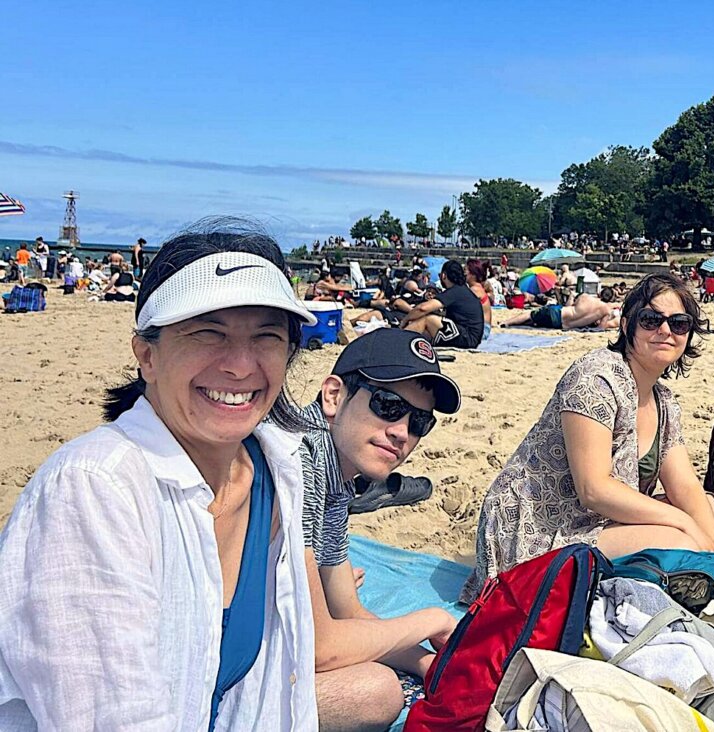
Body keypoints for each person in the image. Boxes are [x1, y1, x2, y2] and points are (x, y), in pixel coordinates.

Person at [0, 220, 318, 729]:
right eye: (207, 332)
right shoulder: (93, 488)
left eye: (266, 336)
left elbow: (267, 693)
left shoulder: (274, 471)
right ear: (147, 354)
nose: (240, 366)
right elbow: (110, 717)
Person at [462, 274, 714, 601]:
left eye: (678, 323)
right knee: (681, 541)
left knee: (710, 509)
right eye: (651, 320)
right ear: (627, 325)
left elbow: (685, 486)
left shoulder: (663, 403)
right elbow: (594, 489)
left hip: (595, 523)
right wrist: (684, 525)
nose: (665, 331)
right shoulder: (596, 377)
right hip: (540, 531)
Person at [299, 329, 461, 730]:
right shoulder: (296, 462)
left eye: (420, 421)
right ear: (334, 396)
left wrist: (428, 664)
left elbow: (347, 611)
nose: (402, 432)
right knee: (375, 692)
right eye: (388, 405)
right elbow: (323, 648)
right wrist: (432, 620)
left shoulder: (335, 473)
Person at [401, 260, 485, 349]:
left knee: (427, 320)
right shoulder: (462, 290)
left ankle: (398, 340)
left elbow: (423, 308)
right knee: (425, 329)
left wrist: (405, 320)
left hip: (467, 338)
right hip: (469, 336)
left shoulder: (454, 292)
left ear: (444, 275)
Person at [498, 290, 619, 331]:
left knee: (530, 314)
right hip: (561, 325)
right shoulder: (607, 311)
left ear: (599, 293)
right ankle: (513, 323)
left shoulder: (585, 297)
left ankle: (507, 322)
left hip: (558, 313)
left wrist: (571, 296)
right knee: (535, 321)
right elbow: (601, 328)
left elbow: (568, 305)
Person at [466, 258, 493, 341]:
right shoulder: (478, 288)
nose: (464, 273)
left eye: (466, 270)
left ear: (473, 274)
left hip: (481, 331)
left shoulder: (474, 291)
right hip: (484, 328)